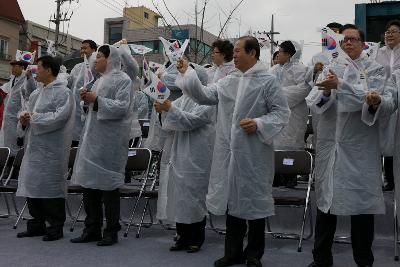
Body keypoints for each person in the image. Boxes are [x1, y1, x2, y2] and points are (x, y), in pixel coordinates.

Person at [175, 36, 290, 267]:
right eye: (234, 51)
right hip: (228, 153)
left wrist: (258, 123)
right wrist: (187, 72)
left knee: (255, 203)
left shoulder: (267, 81)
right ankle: (233, 252)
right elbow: (204, 95)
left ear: (253, 53)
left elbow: (281, 113)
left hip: (254, 154)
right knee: (233, 203)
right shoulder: (230, 81)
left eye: (238, 51)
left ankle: (254, 254)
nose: (234, 55)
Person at [307, 24, 393, 267]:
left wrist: (342, 87)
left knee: (361, 208)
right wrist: (325, 93)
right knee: (326, 202)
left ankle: (364, 260)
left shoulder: (376, 69)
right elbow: (314, 102)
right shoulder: (331, 69)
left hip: (359, 150)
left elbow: (371, 100)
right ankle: (321, 258)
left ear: (363, 44)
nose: (348, 43)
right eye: (344, 40)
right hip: (330, 146)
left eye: (353, 39)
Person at [70, 44, 134, 246]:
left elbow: (122, 108)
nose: (94, 60)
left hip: (110, 144)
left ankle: (111, 231)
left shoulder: (123, 80)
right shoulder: (98, 81)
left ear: (110, 58)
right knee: (89, 186)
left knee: (109, 189)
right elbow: (93, 108)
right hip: (93, 142)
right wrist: (86, 101)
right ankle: (92, 228)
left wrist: (95, 100)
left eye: (98, 57)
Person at [155, 64, 215, 253]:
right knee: (178, 194)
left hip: (197, 153)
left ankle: (196, 238)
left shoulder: (208, 101)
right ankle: (182, 236)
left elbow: (191, 121)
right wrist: (163, 110)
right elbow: (171, 121)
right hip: (179, 152)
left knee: (195, 195)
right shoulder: (183, 99)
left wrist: (169, 109)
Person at [15, 55, 75, 241]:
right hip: (34, 149)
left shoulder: (63, 93)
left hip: (52, 150)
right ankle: (36, 224)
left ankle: (55, 227)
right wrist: (24, 121)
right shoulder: (35, 94)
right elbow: (27, 116)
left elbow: (59, 118)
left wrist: (33, 119)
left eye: (38, 67)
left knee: (50, 188)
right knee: (33, 186)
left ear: (49, 70)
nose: (35, 70)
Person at [270, 40, 311, 188]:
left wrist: (279, 96)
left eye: (280, 51)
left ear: (288, 54)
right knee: (275, 145)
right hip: (275, 114)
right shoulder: (274, 70)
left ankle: (290, 174)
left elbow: (304, 89)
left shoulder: (300, 69)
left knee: (290, 144)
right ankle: (276, 175)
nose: (278, 54)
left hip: (294, 115)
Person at [376, 20, 400, 191]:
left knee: (395, 142)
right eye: (387, 31)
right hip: (382, 100)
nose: (389, 34)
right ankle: (382, 179)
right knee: (380, 141)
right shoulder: (377, 52)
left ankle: (393, 179)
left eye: (394, 31)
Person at [67, 39, 98, 147]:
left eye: (85, 48)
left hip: (88, 108)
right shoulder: (77, 67)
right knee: (73, 141)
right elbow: (68, 83)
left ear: (94, 50)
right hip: (74, 110)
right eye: (81, 48)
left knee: (85, 141)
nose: (82, 50)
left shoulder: (96, 66)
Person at [2, 58, 29, 174]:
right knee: (7, 144)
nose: (12, 69)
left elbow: (26, 99)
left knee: (15, 146)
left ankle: (13, 171)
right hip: (8, 118)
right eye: (12, 66)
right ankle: (7, 168)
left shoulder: (25, 80)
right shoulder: (12, 80)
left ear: (22, 67)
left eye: (15, 66)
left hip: (17, 119)